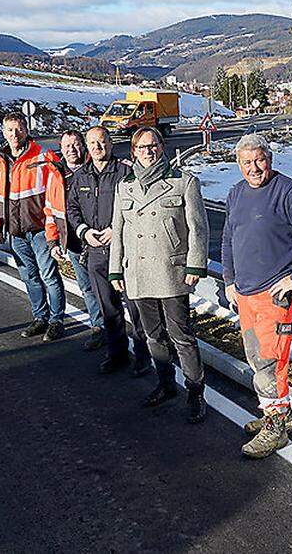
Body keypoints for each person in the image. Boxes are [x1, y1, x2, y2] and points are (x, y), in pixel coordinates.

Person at [222, 133, 292, 458]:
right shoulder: (236, 193)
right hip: (245, 294)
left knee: (269, 363)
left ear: (270, 159)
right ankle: (276, 413)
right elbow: (228, 237)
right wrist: (229, 280)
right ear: (238, 164)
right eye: (247, 162)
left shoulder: (287, 191)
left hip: (273, 297)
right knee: (258, 360)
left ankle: (277, 427)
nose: (254, 168)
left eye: (259, 160)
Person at [109, 127, 210, 423]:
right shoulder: (124, 187)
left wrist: (195, 265)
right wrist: (116, 268)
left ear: (162, 147)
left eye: (153, 146)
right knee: (153, 335)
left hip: (171, 272)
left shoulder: (183, 182)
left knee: (181, 336)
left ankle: (195, 392)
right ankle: (166, 384)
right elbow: (119, 232)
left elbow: (198, 229)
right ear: (133, 152)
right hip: (138, 274)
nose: (148, 151)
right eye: (141, 147)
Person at [65, 126, 152, 375]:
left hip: (124, 251)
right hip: (95, 252)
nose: (97, 147)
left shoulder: (125, 172)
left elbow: (138, 206)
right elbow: (72, 209)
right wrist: (84, 231)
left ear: (111, 144)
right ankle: (117, 355)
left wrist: (117, 229)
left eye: (101, 142)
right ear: (87, 147)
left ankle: (143, 357)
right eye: (92, 143)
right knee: (108, 308)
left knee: (135, 307)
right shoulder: (81, 176)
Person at [0, 112, 67, 341]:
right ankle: (40, 317)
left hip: (41, 228)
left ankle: (56, 321)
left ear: (26, 129)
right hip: (15, 232)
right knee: (29, 276)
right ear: (4, 132)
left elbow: (58, 191)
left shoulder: (43, 156)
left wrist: (55, 230)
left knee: (49, 275)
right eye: (10, 130)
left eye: (19, 129)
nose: (15, 134)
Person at [45, 129, 103, 348]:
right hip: (74, 243)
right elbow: (50, 211)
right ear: (61, 149)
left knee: (107, 288)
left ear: (84, 146)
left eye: (76, 144)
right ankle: (99, 327)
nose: (71, 150)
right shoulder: (56, 175)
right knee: (87, 287)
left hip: (99, 241)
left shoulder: (95, 169)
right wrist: (53, 241)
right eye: (67, 146)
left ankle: (116, 330)